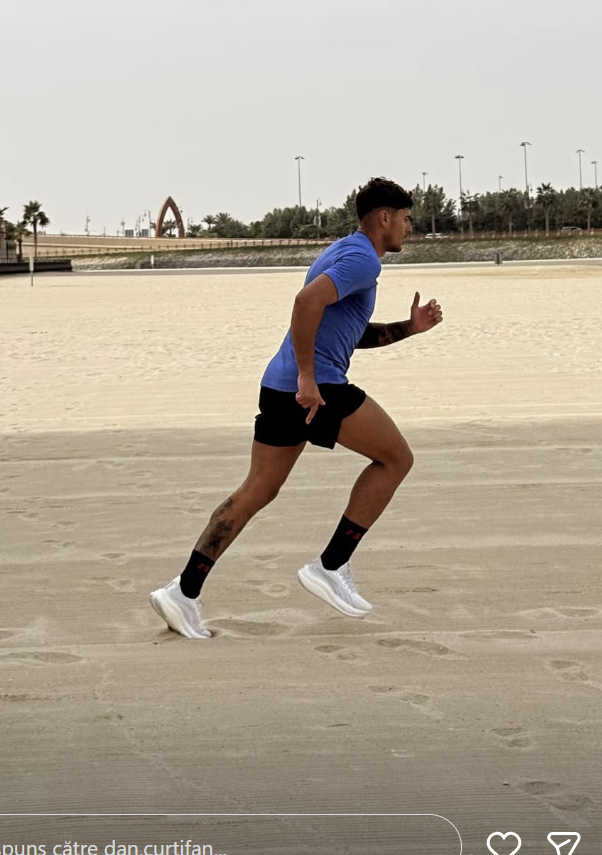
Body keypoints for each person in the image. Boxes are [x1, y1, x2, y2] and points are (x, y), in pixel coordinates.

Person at [149, 177, 442, 638]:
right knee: (396, 459)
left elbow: (344, 330)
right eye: (406, 219)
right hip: (315, 389)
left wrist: (408, 328)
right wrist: (308, 377)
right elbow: (306, 302)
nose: (410, 228)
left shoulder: (343, 251)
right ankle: (331, 566)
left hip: (279, 386)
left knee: (256, 490)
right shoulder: (364, 259)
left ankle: (182, 593)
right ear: (384, 217)